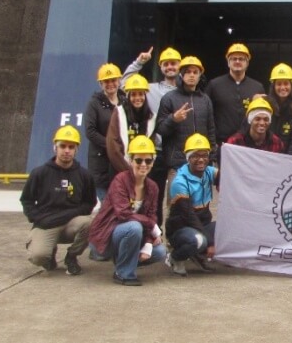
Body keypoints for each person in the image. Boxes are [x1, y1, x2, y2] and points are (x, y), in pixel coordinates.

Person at [87, 135, 167, 286]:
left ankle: (123, 261)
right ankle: (123, 274)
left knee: (160, 252)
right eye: (138, 160)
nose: (143, 164)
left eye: (148, 160)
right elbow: (123, 214)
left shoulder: (153, 187)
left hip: (132, 236)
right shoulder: (120, 181)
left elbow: (151, 217)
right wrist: (152, 225)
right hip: (107, 236)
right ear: (130, 161)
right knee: (134, 227)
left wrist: (149, 243)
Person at [20, 125, 96, 276]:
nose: (66, 150)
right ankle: (49, 254)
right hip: (46, 224)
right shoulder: (39, 173)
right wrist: (39, 219)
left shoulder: (84, 175)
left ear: (76, 150)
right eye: (62, 146)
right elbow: (27, 201)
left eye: (71, 147)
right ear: (55, 147)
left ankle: (71, 257)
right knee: (38, 257)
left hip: (70, 225)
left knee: (91, 223)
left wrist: (66, 216)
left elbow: (89, 203)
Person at [153, 56, 216, 227]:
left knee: (201, 207)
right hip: (178, 163)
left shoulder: (205, 100)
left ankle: (199, 245)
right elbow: (160, 129)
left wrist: (212, 157)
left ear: (200, 75)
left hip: (201, 165)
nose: (191, 75)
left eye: (195, 72)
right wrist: (174, 119)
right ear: (181, 75)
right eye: (187, 72)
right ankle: (173, 248)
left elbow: (211, 131)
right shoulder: (169, 98)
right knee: (176, 208)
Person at [164, 134, 218, 276]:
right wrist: (210, 242)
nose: (201, 160)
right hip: (181, 229)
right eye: (195, 156)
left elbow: (228, 175)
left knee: (228, 228)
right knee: (199, 241)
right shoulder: (179, 182)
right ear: (188, 157)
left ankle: (199, 254)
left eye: (204, 155)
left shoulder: (208, 172)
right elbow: (189, 215)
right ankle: (175, 258)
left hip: (201, 224)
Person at [84, 63, 127, 201]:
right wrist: (111, 145)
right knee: (107, 206)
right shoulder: (94, 103)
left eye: (113, 80)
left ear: (119, 81)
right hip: (101, 164)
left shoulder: (125, 102)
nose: (110, 84)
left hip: (121, 161)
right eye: (106, 81)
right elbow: (90, 131)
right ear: (100, 84)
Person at [205, 43, 265, 142]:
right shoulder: (214, 85)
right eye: (234, 59)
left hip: (249, 143)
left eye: (241, 59)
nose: (237, 61)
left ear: (247, 63)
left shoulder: (257, 87)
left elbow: (263, 115)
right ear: (228, 62)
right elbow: (206, 114)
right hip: (221, 143)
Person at [123, 46, 178, 136]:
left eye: (173, 63)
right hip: (153, 146)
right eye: (166, 64)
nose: (169, 67)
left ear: (180, 65)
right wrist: (138, 63)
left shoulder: (186, 93)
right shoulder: (150, 89)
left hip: (178, 148)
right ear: (160, 67)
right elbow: (124, 84)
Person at [106, 74, 152, 174]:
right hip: (120, 171)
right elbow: (113, 147)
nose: (137, 98)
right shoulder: (119, 113)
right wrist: (129, 172)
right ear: (128, 96)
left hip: (143, 172)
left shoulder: (151, 117)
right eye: (133, 94)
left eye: (141, 94)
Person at [266, 63, 292, 154]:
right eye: (279, 84)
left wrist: (287, 161)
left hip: (287, 159)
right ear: (273, 86)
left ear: (291, 86)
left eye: (286, 84)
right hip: (266, 156)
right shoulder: (265, 105)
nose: (283, 87)